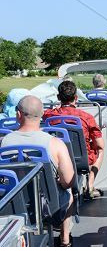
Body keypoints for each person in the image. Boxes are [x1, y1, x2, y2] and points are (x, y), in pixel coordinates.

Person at [1, 96, 75, 246]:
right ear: (42, 115)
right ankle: (65, 239)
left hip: (13, 204)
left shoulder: (4, 143)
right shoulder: (55, 143)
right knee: (70, 194)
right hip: (49, 207)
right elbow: (68, 182)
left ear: (18, 115)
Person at [43, 81, 104, 199]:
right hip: (82, 159)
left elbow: (43, 113)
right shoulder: (87, 117)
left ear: (58, 97)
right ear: (76, 97)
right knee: (100, 149)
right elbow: (99, 144)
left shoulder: (49, 115)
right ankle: (90, 185)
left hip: (57, 159)